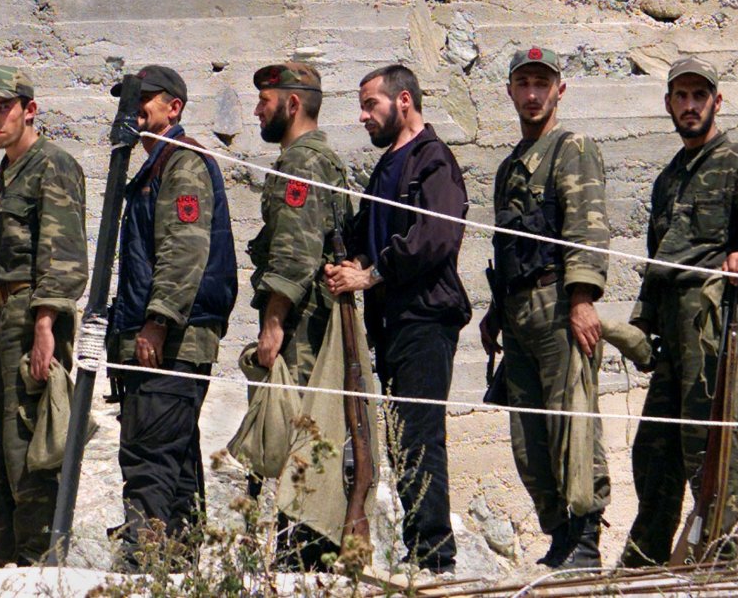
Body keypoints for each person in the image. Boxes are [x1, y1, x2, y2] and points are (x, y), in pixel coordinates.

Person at [621, 57, 738, 567]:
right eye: (681, 96)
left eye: (700, 96)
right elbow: (658, 258)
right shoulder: (667, 179)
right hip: (671, 330)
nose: (690, 105)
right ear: (668, 103)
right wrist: (641, 325)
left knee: (709, 444)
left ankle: (719, 557)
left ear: (717, 102)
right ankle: (645, 560)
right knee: (653, 449)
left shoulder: (737, 160)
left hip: (712, 325)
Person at [325, 64, 470, 573]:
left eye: (371, 104)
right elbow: (368, 235)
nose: (363, 116)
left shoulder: (433, 160)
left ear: (403, 100)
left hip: (426, 318)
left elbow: (435, 236)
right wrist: (349, 264)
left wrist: (371, 274)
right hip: (391, 324)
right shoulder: (387, 166)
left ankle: (434, 554)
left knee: (419, 435)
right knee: (399, 435)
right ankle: (419, 547)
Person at [479, 47, 611, 568]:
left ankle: (585, 539)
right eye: (524, 83)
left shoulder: (571, 148)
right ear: (511, 91)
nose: (532, 94)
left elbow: (587, 226)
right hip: (518, 314)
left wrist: (582, 300)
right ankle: (558, 535)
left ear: (560, 90)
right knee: (529, 438)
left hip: (558, 306)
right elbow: (507, 247)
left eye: (542, 83)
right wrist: (495, 313)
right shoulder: (510, 167)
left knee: (571, 423)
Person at [107, 65, 237, 569]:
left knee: (149, 455)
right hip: (166, 339)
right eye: (131, 99)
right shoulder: (158, 165)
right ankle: (179, 567)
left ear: (174, 107)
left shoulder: (181, 163)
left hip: (170, 341)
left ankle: (144, 565)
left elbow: (185, 249)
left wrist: (157, 321)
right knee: (176, 460)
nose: (135, 107)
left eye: (146, 98)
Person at [0, 65, 88, 566]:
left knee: (27, 441)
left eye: (2, 108)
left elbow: (64, 254)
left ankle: (38, 561)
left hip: (33, 314)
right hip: (1, 316)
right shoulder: (10, 168)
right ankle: (4, 556)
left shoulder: (52, 164)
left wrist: (45, 326)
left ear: (29, 110)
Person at [247, 61, 352, 568]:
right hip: (312, 320)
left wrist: (273, 324)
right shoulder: (317, 160)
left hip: (303, 327)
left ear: (292, 104)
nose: (256, 110)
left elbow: (294, 254)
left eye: (264, 101)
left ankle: (304, 556)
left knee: (303, 434)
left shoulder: (302, 164)